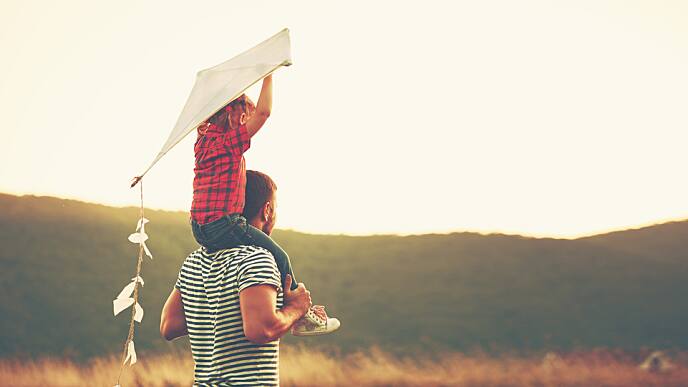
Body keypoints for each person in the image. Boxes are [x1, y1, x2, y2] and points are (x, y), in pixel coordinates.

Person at [189, 74, 337, 335]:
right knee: (280, 257)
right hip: (224, 224)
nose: (249, 121)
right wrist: (268, 74)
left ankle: (270, 301)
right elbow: (264, 113)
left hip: (198, 228)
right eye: (245, 115)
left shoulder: (202, 143)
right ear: (233, 116)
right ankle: (300, 313)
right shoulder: (228, 143)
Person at [160, 170, 340, 385]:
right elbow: (261, 330)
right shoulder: (257, 258)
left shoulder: (193, 261)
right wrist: (296, 310)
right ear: (267, 210)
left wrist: (221, 310)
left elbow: (169, 326)